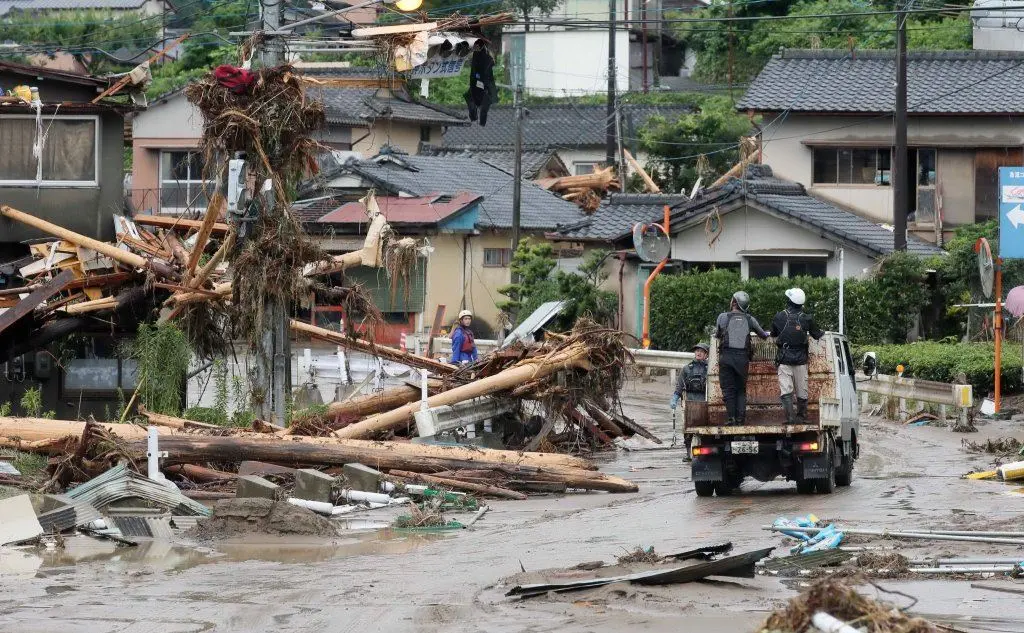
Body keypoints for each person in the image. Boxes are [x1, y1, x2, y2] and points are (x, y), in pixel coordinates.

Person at [771, 287, 824, 424]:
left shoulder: (779, 316)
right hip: (801, 360)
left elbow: (773, 334)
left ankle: (790, 419)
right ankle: (802, 418)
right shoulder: (807, 318)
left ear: (789, 301)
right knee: (802, 390)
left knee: (786, 390)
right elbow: (817, 335)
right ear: (801, 304)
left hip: (784, 359)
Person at [715, 291, 769, 425]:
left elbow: (717, 334)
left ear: (733, 302)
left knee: (728, 390)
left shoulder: (722, 317)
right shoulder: (750, 319)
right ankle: (740, 420)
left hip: (726, 358)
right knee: (740, 389)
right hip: (742, 359)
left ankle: (731, 419)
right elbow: (763, 335)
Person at [671, 343, 709, 457]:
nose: (698, 353)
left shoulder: (711, 369)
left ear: (706, 354)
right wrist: (675, 398)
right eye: (697, 350)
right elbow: (679, 386)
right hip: (689, 404)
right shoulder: (687, 369)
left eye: (701, 351)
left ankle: (704, 454)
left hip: (705, 403)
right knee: (688, 431)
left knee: (705, 431)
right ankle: (688, 454)